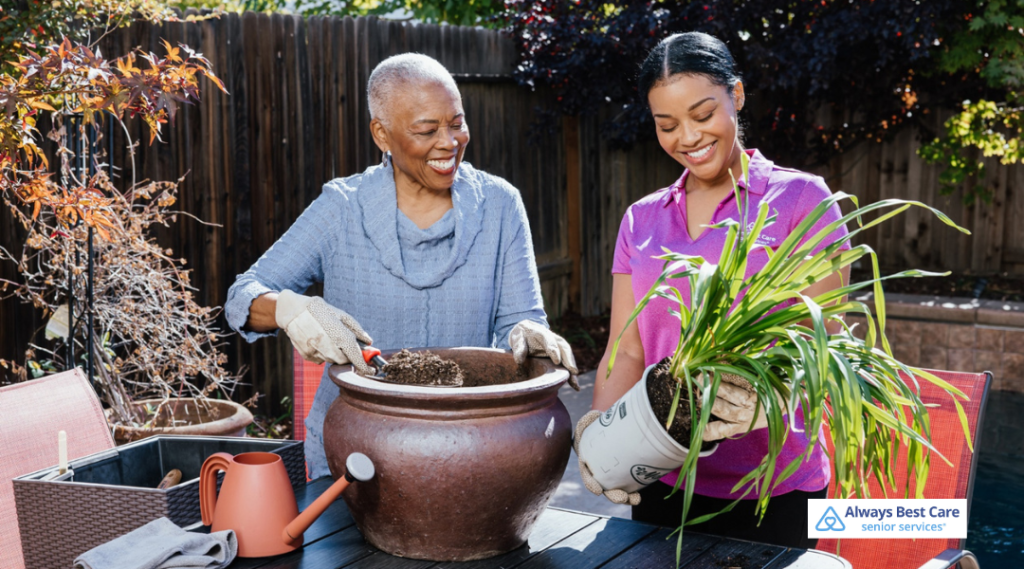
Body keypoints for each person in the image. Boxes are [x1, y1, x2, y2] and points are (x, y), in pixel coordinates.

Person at [225, 53, 577, 479]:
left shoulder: (500, 205)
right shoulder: (342, 209)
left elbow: (519, 320)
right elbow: (242, 296)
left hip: (469, 451)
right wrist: (288, 308)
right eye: (427, 130)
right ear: (382, 134)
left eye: (457, 123)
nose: (449, 142)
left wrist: (528, 332)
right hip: (355, 454)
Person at [581, 32, 850, 549]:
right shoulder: (641, 219)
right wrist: (600, 438)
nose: (687, 137)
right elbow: (627, 350)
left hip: (774, 490)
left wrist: (769, 400)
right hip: (661, 475)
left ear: (737, 95)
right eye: (667, 125)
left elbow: (825, 344)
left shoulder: (800, 199)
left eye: (703, 114)